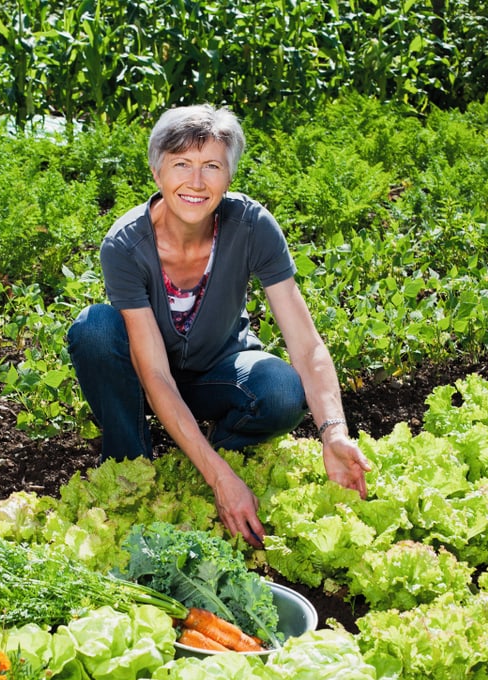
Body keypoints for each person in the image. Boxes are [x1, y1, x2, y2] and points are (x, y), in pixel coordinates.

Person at [67, 104, 371, 548]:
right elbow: (153, 374)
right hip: (148, 377)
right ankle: (132, 460)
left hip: (220, 372)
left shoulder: (251, 227)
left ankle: (209, 449)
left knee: (283, 390)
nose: (195, 182)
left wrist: (334, 432)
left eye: (211, 166)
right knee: (94, 328)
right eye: (181, 165)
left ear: (229, 177)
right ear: (157, 173)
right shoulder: (126, 244)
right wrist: (220, 478)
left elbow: (306, 346)